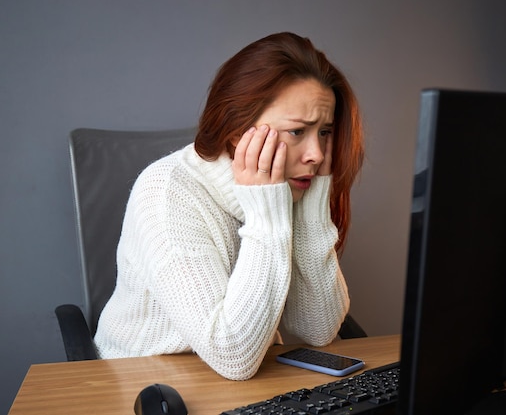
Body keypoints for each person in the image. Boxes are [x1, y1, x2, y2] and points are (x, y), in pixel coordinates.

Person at [94, 32, 365, 381]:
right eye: (297, 131)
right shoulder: (167, 192)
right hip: (139, 384)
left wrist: (312, 209)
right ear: (238, 133)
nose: (316, 154)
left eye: (325, 132)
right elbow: (233, 355)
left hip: (235, 385)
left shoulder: (286, 188)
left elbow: (320, 327)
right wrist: (266, 214)